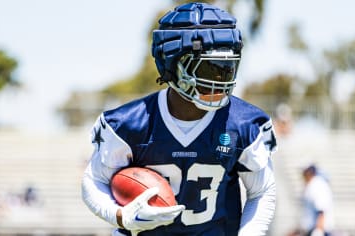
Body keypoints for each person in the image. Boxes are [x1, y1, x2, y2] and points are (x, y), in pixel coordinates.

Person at [81, 2, 277, 236]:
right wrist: (121, 217)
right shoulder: (130, 123)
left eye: (227, 68)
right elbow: (94, 180)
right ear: (172, 64)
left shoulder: (243, 124)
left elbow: (262, 191)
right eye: (208, 68)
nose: (219, 79)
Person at [298, 164, 334, 236]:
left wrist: (319, 230)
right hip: (313, 229)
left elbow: (321, 209)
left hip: (318, 230)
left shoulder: (317, 185)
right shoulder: (312, 184)